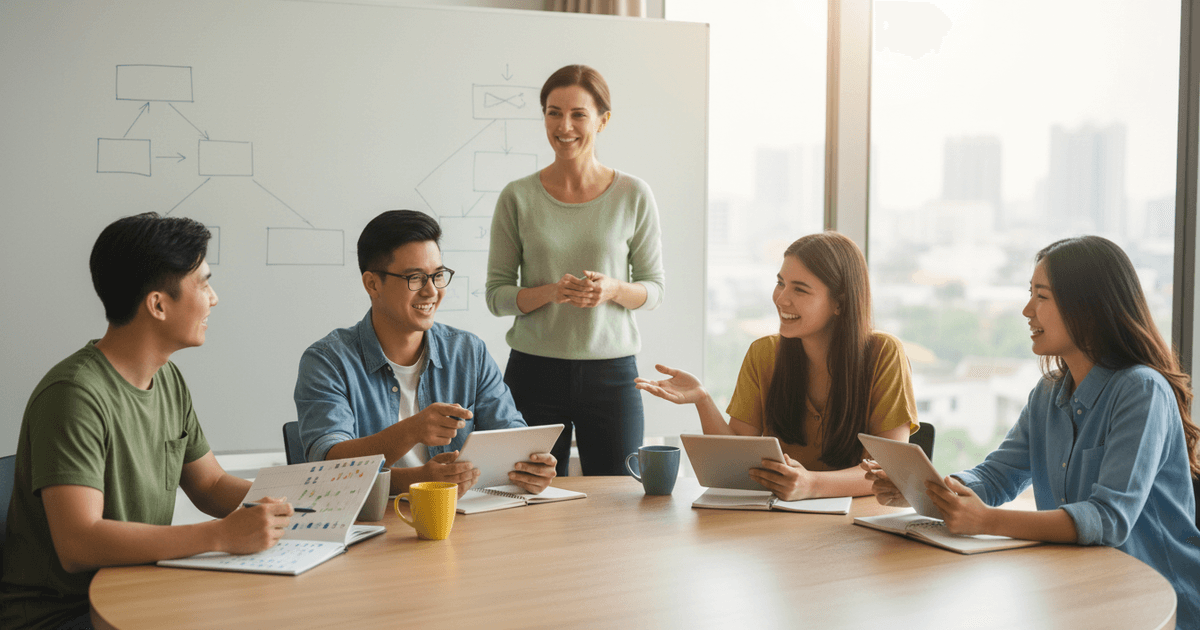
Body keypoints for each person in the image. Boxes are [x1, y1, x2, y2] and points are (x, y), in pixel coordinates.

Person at [863, 236, 1200, 629]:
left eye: (1042, 296)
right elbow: (995, 476)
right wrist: (929, 488)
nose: (1027, 310)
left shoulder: (1141, 390)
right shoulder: (1048, 394)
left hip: (1160, 601)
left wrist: (985, 521)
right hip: (1082, 588)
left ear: (1088, 308)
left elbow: (1108, 520)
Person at [0, 213, 295, 630]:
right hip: (66, 614)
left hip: (138, 589)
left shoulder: (167, 378)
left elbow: (210, 486)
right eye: (204, 283)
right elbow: (79, 543)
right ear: (158, 304)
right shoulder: (73, 395)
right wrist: (219, 536)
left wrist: (300, 506)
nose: (214, 298)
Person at [636, 232, 918, 500]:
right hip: (780, 518)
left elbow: (890, 471)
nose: (782, 298)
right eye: (781, 282)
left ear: (839, 304)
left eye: (800, 289)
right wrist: (703, 400)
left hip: (856, 523)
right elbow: (735, 457)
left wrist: (812, 485)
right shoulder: (764, 353)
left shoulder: (884, 353)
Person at [295, 210, 557, 498]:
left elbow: (511, 436)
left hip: (466, 522)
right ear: (372, 284)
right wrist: (414, 452)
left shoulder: (469, 352)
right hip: (376, 525)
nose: (432, 291)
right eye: (415, 278)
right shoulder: (327, 361)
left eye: (437, 276)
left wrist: (532, 468)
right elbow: (329, 469)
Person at [486, 64, 665, 477]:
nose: (564, 126)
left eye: (578, 114)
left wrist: (613, 289)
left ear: (603, 120)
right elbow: (496, 296)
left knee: (618, 501)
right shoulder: (518, 196)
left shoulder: (633, 194)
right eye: (553, 112)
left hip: (613, 375)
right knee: (529, 499)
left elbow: (654, 290)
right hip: (533, 372)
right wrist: (549, 292)